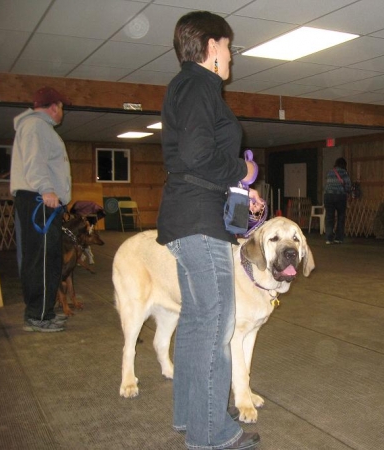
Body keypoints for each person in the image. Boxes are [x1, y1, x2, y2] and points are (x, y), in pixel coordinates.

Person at [156, 11, 262, 450]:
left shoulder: (183, 86)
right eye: (229, 45)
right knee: (216, 325)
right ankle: (211, 432)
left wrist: (238, 191)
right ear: (211, 46)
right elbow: (200, 153)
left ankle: (189, 417)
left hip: (189, 214)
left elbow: (193, 159)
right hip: (199, 223)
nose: (232, 54)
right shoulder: (200, 84)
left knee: (198, 324)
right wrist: (246, 168)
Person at [10, 86, 72, 332]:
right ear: (54, 106)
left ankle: (44, 311)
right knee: (41, 260)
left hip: (45, 201)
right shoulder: (35, 126)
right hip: (39, 200)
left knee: (49, 258)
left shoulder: (40, 128)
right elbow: (34, 162)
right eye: (62, 107)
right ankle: (37, 316)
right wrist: (46, 189)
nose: (63, 112)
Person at [324, 157, 351, 244]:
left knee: (329, 217)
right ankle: (338, 238)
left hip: (328, 196)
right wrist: (348, 191)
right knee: (341, 217)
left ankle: (328, 238)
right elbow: (348, 185)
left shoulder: (330, 172)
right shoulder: (344, 172)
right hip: (340, 196)